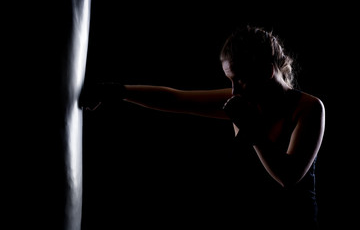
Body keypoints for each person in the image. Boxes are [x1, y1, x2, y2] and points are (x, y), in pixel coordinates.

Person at [80, 25, 325, 229]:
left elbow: (289, 177)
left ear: (267, 71)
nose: (233, 91)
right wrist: (117, 91)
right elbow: (176, 99)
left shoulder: (309, 108)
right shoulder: (243, 101)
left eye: (240, 79)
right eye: (230, 80)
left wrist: (250, 127)